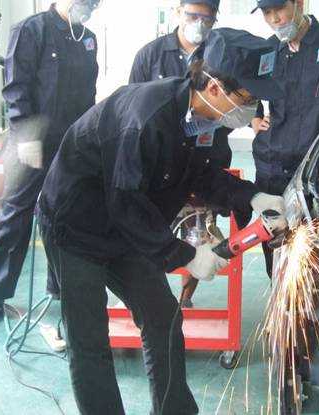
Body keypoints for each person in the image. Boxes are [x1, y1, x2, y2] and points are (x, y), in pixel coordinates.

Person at [37, 28, 286, 415]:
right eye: (248, 99)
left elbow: (201, 175)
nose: (253, 110)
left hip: (126, 228)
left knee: (162, 318)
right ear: (215, 87)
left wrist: (252, 196)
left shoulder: (205, 120)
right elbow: (125, 202)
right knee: (89, 340)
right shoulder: (145, 119)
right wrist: (185, 255)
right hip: (76, 228)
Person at [0, 0, 100, 325]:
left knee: (66, 214)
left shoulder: (87, 38)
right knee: (16, 215)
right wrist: (25, 135)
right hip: (31, 142)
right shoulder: (31, 31)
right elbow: (16, 88)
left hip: (70, 143)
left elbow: (89, 95)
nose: (89, 6)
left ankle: (59, 286)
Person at [130, 0, 236, 307]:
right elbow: (134, 108)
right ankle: (152, 299)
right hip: (158, 166)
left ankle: (184, 299)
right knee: (152, 230)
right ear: (177, 12)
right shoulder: (150, 56)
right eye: (193, 15)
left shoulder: (220, 54)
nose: (199, 23)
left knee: (197, 233)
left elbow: (230, 104)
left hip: (204, 160)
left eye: (208, 18)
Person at [250, 0, 319, 277]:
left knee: (309, 246)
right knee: (274, 241)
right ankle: (278, 293)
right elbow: (246, 86)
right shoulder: (269, 50)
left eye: (279, 9)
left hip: (316, 162)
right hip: (273, 163)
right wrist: (255, 118)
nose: (274, 19)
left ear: (298, 3)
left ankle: (308, 299)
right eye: (267, 13)